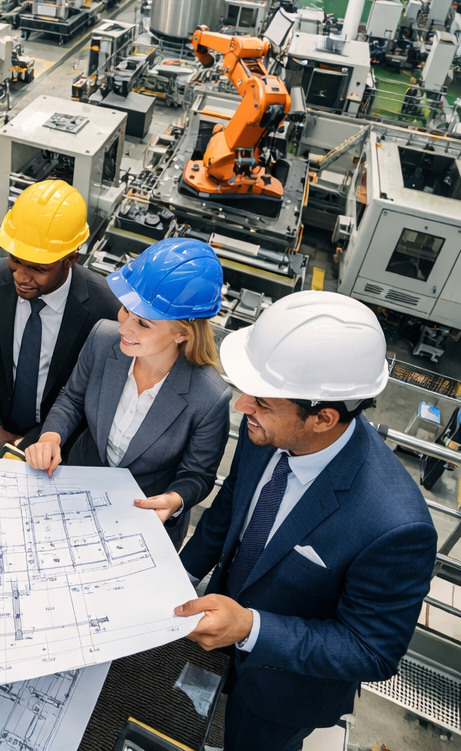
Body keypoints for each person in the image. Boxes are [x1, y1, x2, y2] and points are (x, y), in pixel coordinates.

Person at [174, 291, 437, 751]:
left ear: (323, 418)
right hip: (215, 640)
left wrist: (251, 628)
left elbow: (371, 649)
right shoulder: (271, 433)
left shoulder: (396, 526)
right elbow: (232, 509)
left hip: (283, 692)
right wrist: (180, 577)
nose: (242, 408)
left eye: (261, 401)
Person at [26, 238, 231, 546]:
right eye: (126, 310)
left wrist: (174, 500)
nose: (124, 327)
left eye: (143, 323)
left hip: (141, 517)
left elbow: (197, 475)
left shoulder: (209, 398)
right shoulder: (102, 338)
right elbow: (72, 398)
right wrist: (51, 436)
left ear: (182, 334)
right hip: (78, 489)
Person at [0, 180, 121, 456]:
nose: (21, 277)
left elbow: (95, 393)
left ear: (71, 259)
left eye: (38, 268)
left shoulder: (104, 308)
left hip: (57, 447)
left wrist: (40, 439)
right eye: (15, 259)